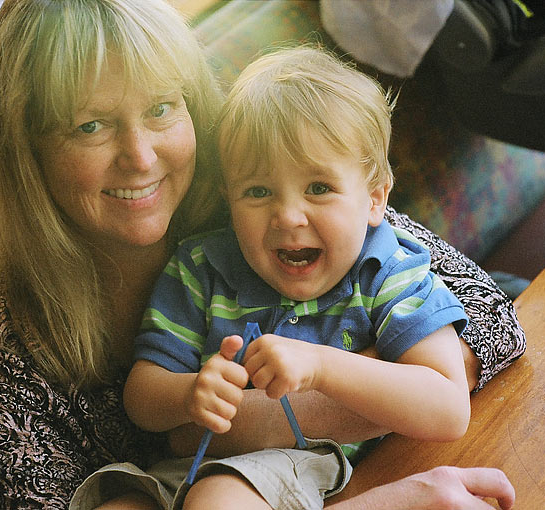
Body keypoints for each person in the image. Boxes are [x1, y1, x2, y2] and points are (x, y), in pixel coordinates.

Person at [0, 0, 520, 509]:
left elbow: (490, 318)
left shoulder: (263, 184)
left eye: (161, 108)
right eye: (90, 125)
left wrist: (240, 422)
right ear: (27, 151)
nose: (141, 157)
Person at [99, 46, 471, 510]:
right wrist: (189, 394)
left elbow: (448, 407)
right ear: (228, 200)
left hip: (306, 466)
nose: (288, 216)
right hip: (186, 469)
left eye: (319, 188)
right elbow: (141, 397)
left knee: (218, 500)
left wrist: (321, 367)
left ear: (375, 199)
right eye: (258, 191)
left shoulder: (388, 272)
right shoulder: (201, 267)